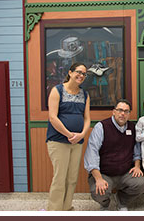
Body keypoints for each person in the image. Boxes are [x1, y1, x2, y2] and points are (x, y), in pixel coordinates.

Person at [84, 99, 144, 211]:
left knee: (141, 183)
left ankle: (122, 202)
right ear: (114, 112)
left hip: (125, 173)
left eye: (126, 111)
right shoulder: (102, 127)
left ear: (129, 114)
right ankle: (105, 204)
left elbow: (136, 151)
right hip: (104, 173)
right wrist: (98, 178)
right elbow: (91, 153)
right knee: (98, 191)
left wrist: (137, 166)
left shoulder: (132, 128)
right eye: (120, 110)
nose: (122, 113)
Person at [46, 62, 91, 211]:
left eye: (84, 74)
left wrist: (82, 134)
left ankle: (66, 208)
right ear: (70, 73)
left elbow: (87, 118)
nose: (81, 76)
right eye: (78, 72)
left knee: (72, 178)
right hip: (58, 140)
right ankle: (54, 211)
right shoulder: (57, 90)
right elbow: (53, 117)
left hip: (77, 142)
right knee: (60, 178)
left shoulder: (85, 94)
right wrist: (69, 134)